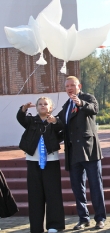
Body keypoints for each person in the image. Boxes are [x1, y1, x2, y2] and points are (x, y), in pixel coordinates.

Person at [57, 76, 106, 230]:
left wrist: (81, 103)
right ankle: (83, 218)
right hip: (72, 152)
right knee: (77, 188)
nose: (70, 88)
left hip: (89, 149)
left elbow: (94, 109)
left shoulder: (88, 97)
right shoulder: (66, 106)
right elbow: (60, 123)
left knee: (95, 185)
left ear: (79, 86)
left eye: (72, 85)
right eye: (67, 86)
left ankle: (100, 218)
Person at [17, 97, 65, 233]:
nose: (43, 106)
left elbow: (62, 128)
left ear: (50, 107)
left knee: (53, 194)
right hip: (33, 162)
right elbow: (21, 118)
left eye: (46, 104)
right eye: (40, 104)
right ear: (36, 107)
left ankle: (54, 225)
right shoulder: (31, 121)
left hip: (51, 162)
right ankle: (36, 227)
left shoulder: (54, 121)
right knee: (35, 195)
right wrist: (23, 109)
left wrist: (55, 122)